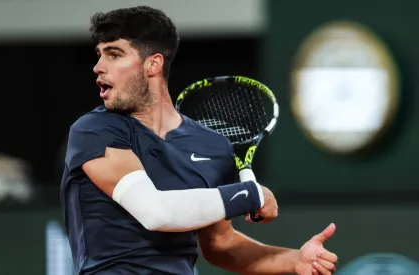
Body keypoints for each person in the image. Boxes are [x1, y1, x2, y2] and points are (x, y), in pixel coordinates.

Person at [60, 5, 338, 275]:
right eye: (99, 55)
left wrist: (295, 259)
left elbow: (221, 244)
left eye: (114, 54)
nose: (98, 67)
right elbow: (155, 212)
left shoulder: (214, 147)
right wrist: (250, 195)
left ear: (153, 64)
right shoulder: (94, 131)